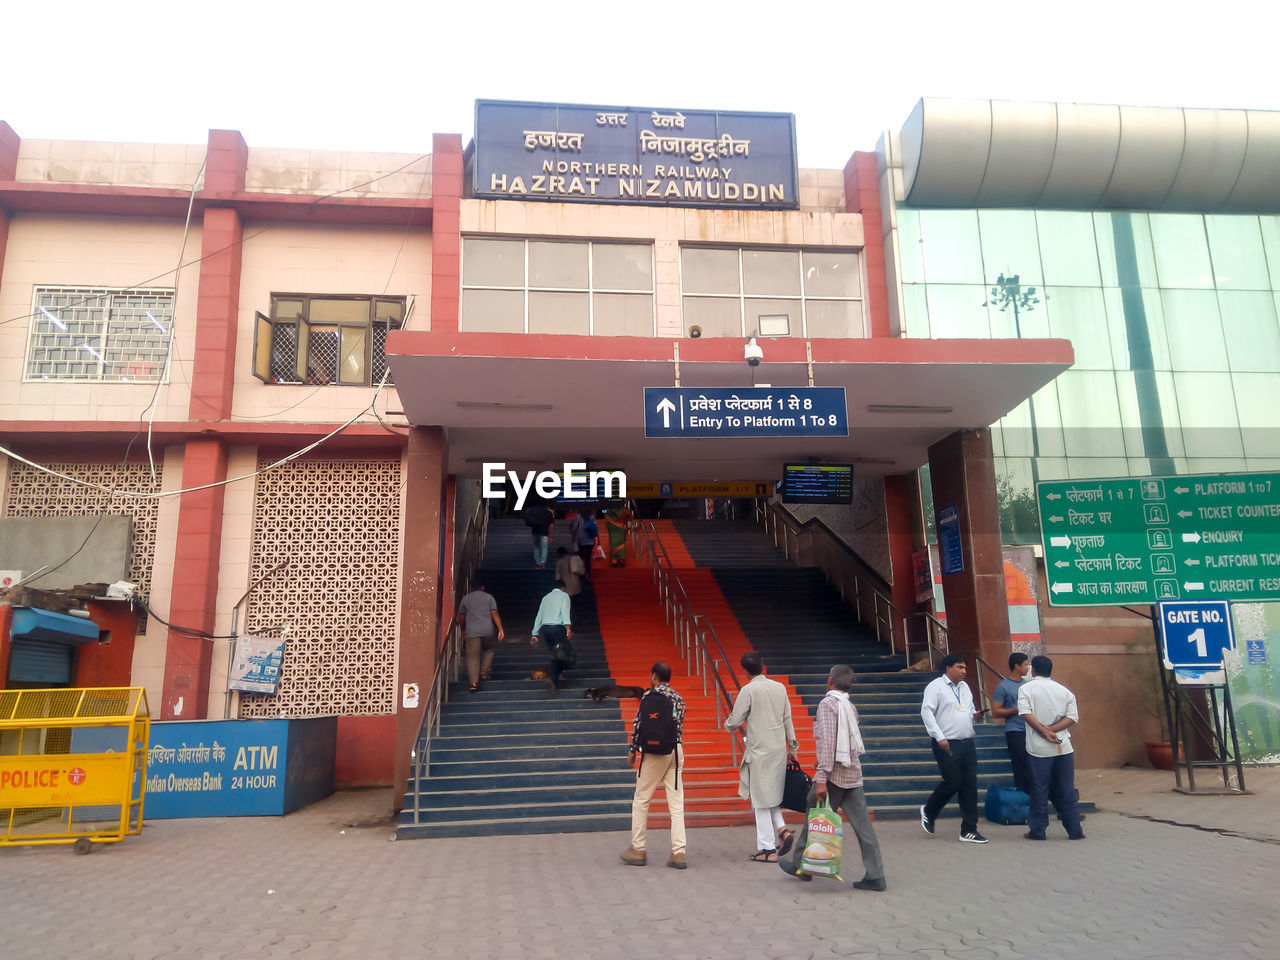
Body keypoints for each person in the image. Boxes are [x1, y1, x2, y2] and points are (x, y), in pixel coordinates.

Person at [781, 664, 886, 890]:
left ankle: (802, 867)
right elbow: (847, 742)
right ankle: (876, 874)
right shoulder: (849, 705)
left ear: (830, 680)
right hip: (852, 774)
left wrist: (821, 778)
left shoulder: (828, 704)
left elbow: (828, 743)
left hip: (833, 777)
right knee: (864, 828)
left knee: (814, 816)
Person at [725, 651, 798, 862]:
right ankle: (782, 830)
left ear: (746, 671)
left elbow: (735, 719)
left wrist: (727, 725)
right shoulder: (779, 688)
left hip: (759, 751)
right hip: (778, 751)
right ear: (761, 666)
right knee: (770, 795)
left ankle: (767, 849)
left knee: (760, 799)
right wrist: (792, 748)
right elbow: (787, 719)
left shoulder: (748, 691)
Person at [620, 661, 688, 870]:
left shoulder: (649, 697)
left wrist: (633, 750)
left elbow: (639, 724)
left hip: (654, 754)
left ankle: (638, 849)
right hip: (675, 750)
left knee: (641, 799)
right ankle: (679, 853)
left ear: (653, 676)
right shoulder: (678, 698)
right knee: (676, 803)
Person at [919, 653, 988, 843]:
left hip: (967, 741)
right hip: (946, 742)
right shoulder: (935, 687)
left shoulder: (965, 688)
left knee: (970, 786)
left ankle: (969, 830)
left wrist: (975, 716)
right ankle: (929, 810)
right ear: (948, 668)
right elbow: (927, 712)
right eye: (960, 667)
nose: (964, 671)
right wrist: (939, 735)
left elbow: (966, 709)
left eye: (965, 668)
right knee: (953, 781)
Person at [1018, 655, 1085, 841]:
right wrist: (1052, 730)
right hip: (1063, 746)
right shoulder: (1064, 691)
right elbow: (1072, 717)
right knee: (1067, 789)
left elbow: (1025, 713)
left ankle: (1038, 831)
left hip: (1038, 749)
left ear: (1033, 671)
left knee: (1039, 789)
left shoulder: (1026, 689)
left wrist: (1043, 730)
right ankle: (1075, 830)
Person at [991, 652, 1033, 793]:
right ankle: (1024, 798)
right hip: (1015, 731)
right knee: (1021, 767)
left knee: (1033, 766)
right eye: (1026, 664)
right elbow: (996, 712)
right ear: (1017, 665)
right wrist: (1017, 709)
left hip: (1031, 729)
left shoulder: (1027, 685)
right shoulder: (1003, 687)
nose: (1028, 668)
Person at [457, 582, 504, 693]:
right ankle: (484, 671)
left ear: (472, 588)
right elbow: (494, 613)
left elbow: (462, 616)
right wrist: (500, 629)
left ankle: (473, 683)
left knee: (472, 657)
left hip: (472, 632)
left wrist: (463, 629)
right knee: (490, 649)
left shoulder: (466, 598)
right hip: (488, 630)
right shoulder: (489, 597)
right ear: (483, 587)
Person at [529, 579, 572, 695]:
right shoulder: (564, 596)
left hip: (546, 630)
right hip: (558, 629)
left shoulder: (546, 598)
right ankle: (553, 678)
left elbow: (539, 616)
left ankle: (555, 678)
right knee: (563, 654)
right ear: (563, 588)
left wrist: (535, 633)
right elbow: (565, 612)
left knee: (556, 654)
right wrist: (568, 628)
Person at [524, 501, 554, 568]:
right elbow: (551, 525)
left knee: (536, 546)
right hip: (544, 533)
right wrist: (551, 536)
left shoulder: (535, 512)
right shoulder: (549, 513)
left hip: (535, 531)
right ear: (546, 506)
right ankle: (542, 562)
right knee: (544, 548)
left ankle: (537, 562)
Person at [571, 507, 599, 577]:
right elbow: (595, 527)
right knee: (588, 557)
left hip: (581, 540)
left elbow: (574, 528)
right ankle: (587, 573)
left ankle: (581, 570)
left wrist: (573, 538)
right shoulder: (591, 517)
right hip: (590, 541)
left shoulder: (578, 517)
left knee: (581, 556)